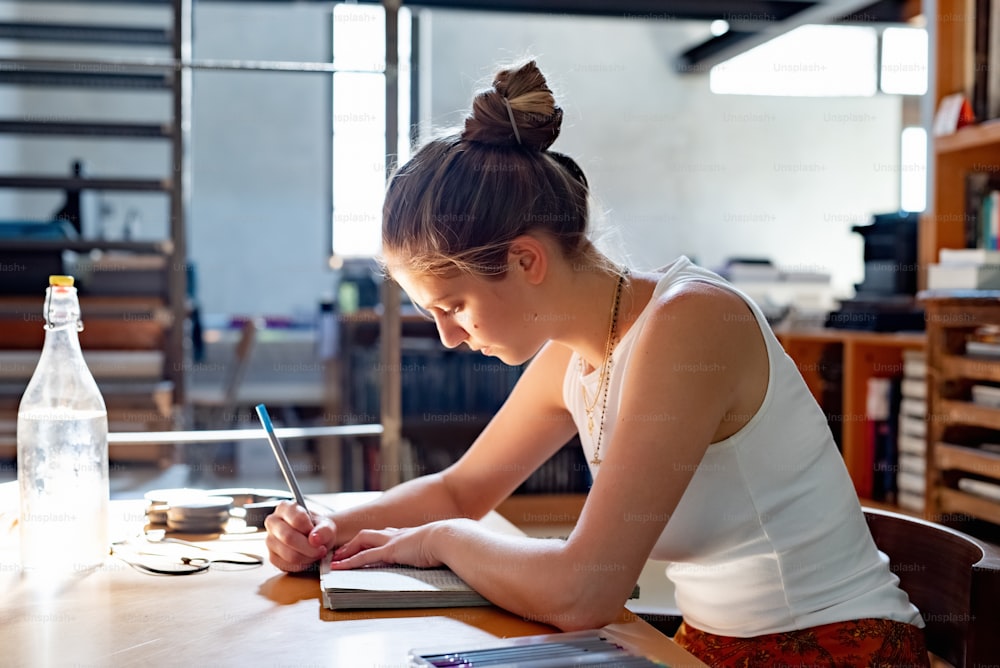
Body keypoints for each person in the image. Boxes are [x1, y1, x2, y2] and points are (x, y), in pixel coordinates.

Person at [265, 60, 929, 666]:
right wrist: (327, 528)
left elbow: (582, 589)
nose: (447, 338)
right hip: (704, 648)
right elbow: (461, 491)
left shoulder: (690, 323)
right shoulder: (578, 353)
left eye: (455, 306)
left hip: (838, 650)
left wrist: (440, 541)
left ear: (526, 261)